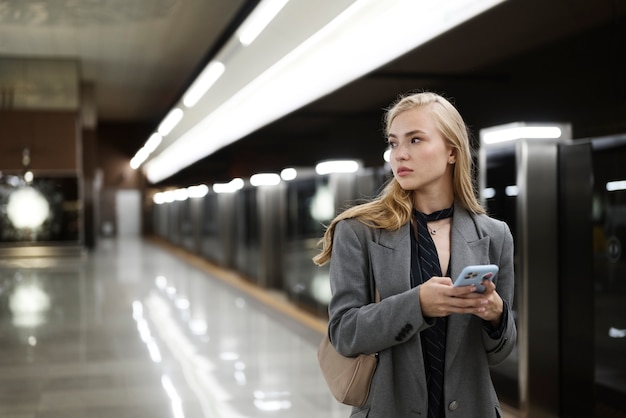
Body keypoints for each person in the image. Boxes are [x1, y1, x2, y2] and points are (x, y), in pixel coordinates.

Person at [313, 91, 516, 417]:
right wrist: (417, 305)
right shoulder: (360, 231)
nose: (399, 155)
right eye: (394, 143)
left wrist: (496, 315)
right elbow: (344, 334)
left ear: (452, 151)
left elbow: (500, 352)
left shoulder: (494, 235)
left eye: (415, 140)